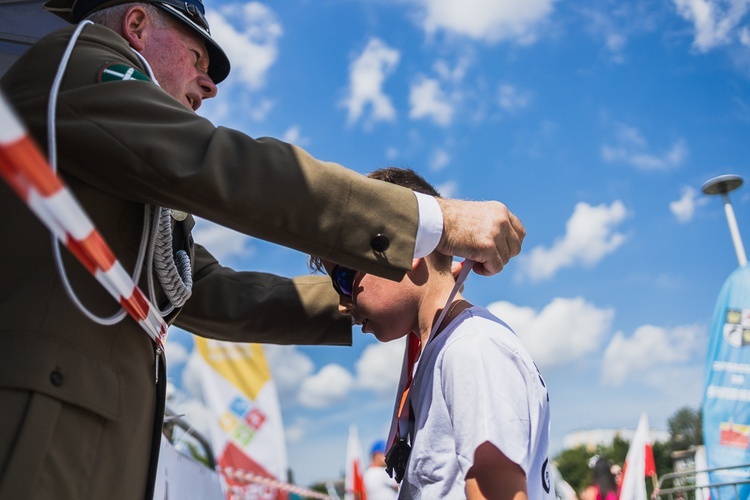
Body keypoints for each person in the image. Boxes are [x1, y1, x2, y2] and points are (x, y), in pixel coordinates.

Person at [0, 1, 526, 498]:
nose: (208, 85)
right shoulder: (75, 64)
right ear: (136, 25)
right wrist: (432, 219)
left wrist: (364, 297)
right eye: (197, 56)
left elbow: (203, 290)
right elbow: (218, 163)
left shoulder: (119, 156)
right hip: (38, 437)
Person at [311, 167, 552, 500]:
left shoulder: (472, 349)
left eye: (343, 278)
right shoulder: (445, 351)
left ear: (408, 251)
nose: (343, 304)